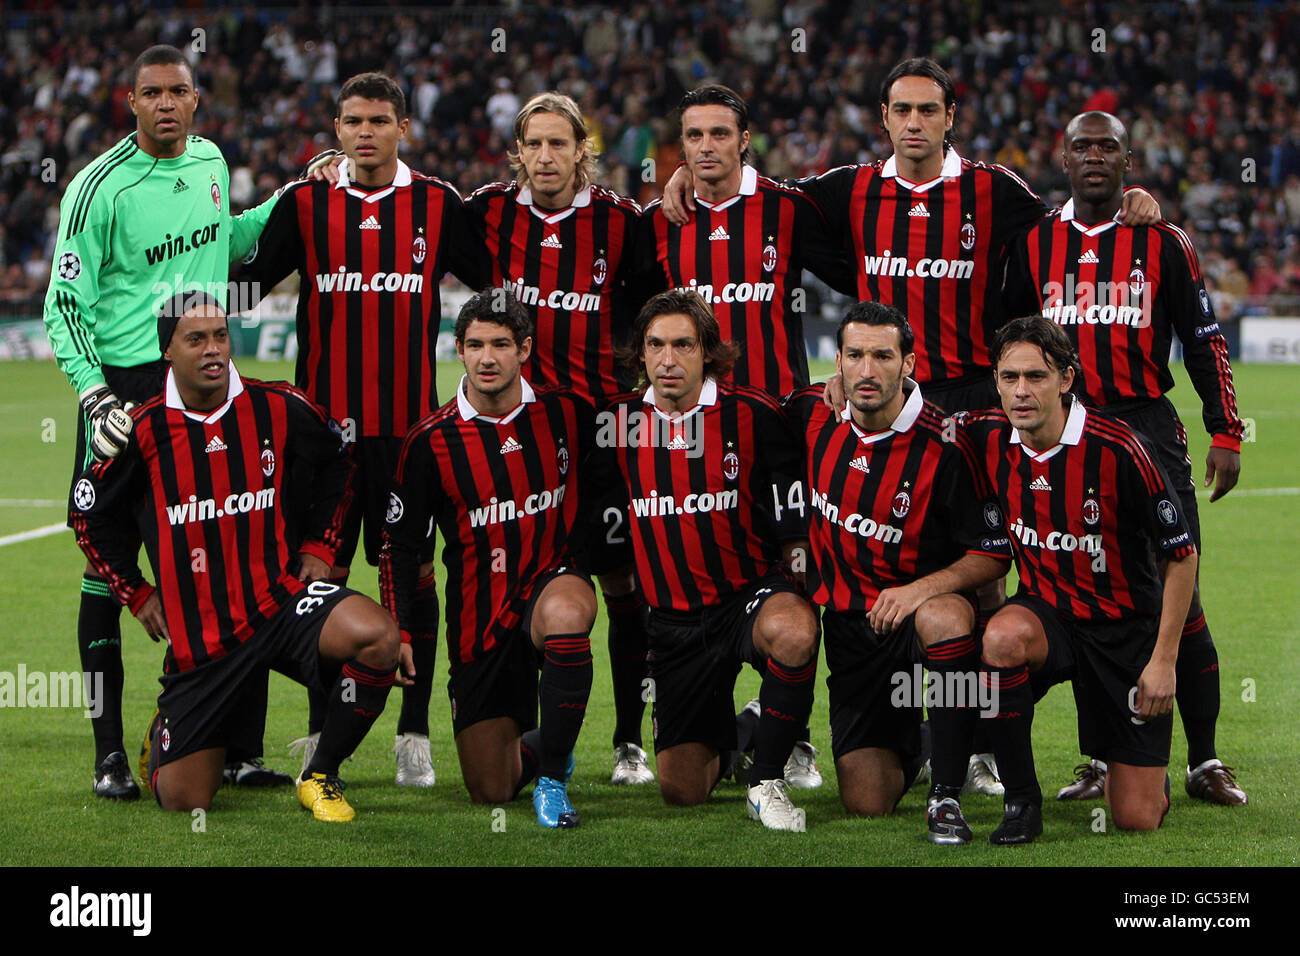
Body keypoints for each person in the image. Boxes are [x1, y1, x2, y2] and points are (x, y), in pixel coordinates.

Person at [659, 58, 1156, 794]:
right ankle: (817, 726)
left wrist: (1129, 201)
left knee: (984, 580)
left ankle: (981, 742)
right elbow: (766, 194)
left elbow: (1063, 223)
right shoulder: (850, 187)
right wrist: (688, 181)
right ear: (884, 117)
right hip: (878, 392)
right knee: (834, 548)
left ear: (950, 116)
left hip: (968, 406)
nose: (915, 122)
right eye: (901, 110)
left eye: (929, 110)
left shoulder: (992, 188)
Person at [235, 71, 490, 788]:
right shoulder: (307, 203)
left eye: (380, 120)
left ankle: (414, 733)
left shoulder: (438, 205)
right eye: (352, 121)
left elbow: (497, 281)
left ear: (403, 128)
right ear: (337, 129)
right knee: (319, 578)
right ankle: (324, 725)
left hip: (409, 438)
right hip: (323, 444)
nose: (366, 132)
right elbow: (246, 283)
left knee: (411, 580)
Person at [42, 43, 283, 799]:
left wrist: (295, 199)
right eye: (153, 93)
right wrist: (94, 395)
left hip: (209, 374)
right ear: (132, 101)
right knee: (102, 565)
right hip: (125, 392)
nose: (168, 104)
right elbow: (62, 302)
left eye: (180, 91)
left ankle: (240, 749)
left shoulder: (211, 163)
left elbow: (232, 241)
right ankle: (109, 753)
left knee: (235, 548)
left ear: (197, 99)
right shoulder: (95, 188)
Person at [70, 294, 401, 822]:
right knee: (186, 800)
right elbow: (88, 517)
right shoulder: (144, 431)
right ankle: (164, 733)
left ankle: (321, 774)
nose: (213, 350)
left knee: (379, 637)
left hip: (281, 606)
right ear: (167, 351)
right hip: (204, 641)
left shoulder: (279, 406)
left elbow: (342, 460)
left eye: (220, 336)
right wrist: (135, 591)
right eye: (195, 339)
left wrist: (321, 545)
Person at [1004, 111, 1247, 806]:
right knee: (1088, 597)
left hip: (1143, 430)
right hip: (1065, 436)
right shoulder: (1035, 244)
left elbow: (1205, 341)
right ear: (1064, 158)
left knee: (1181, 592)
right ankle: (1105, 758)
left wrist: (1226, 431)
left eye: (1108, 146)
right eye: (1082, 146)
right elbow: (1011, 340)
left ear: (1128, 162)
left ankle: (1203, 759)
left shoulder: (1164, 241)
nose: (1094, 156)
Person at [635, 84, 862, 789]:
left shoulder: (788, 209)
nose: (705, 147)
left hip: (782, 433)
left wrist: (845, 363)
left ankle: (791, 736)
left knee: (798, 580)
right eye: (693, 136)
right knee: (702, 568)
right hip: (691, 436)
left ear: (744, 140)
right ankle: (717, 729)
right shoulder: (661, 222)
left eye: (718, 134)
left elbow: (867, 272)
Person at [465, 93, 654, 787]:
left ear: (583, 149)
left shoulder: (620, 222)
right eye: (533, 145)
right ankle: (529, 731)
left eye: (559, 144)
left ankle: (630, 739)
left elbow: (652, 303)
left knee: (623, 585)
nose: (546, 157)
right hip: (521, 441)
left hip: (602, 439)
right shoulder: (487, 212)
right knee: (520, 584)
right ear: (517, 153)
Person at [785, 301, 1011, 842]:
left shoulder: (948, 443)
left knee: (947, 618)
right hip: (853, 631)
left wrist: (918, 591)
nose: (868, 370)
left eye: (883, 356)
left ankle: (948, 792)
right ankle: (937, 737)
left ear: (909, 363)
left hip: (916, 620)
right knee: (867, 802)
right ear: (836, 360)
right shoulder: (813, 412)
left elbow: (992, 552)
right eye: (856, 356)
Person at [966, 317, 1198, 843]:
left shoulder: (1121, 448)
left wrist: (1163, 661)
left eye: (1036, 376)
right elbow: (905, 411)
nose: (1021, 391)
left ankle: (1138, 774)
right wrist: (836, 388)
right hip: (1050, 619)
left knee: (1135, 818)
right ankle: (1022, 804)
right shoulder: (986, 436)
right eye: (1008, 378)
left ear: (1067, 379)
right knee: (1001, 637)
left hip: (1124, 631)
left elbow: (1181, 557)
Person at [379, 290, 601, 828]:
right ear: (457, 349)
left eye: (500, 344)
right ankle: (551, 745)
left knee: (569, 617)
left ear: (524, 349)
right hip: (480, 618)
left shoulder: (567, 412)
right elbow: (401, 549)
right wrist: (401, 631)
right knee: (490, 788)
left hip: (552, 585)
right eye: (475, 344)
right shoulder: (430, 440)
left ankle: (552, 779)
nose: (487, 357)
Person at [603, 289, 818, 831]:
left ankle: (767, 782)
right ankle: (748, 728)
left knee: (793, 632)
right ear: (641, 354)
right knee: (681, 791)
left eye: (683, 344)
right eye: (656, 345)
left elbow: (807, 440)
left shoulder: (751, 414)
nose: (668, 359)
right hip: (674, 625)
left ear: (708, 352)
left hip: (746, 599)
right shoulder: (616, 424)